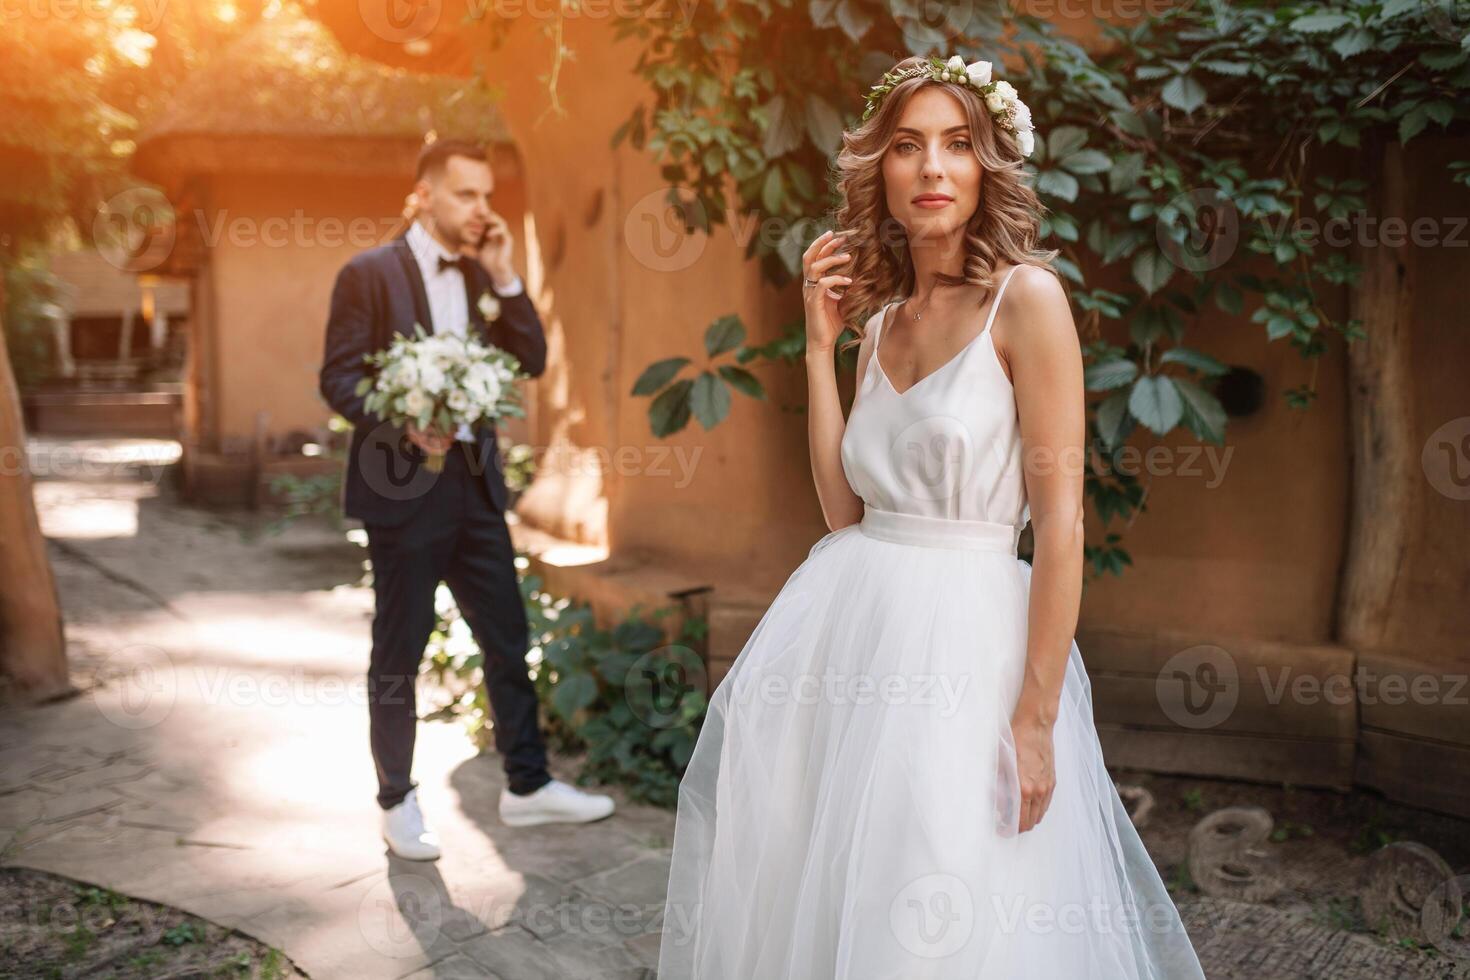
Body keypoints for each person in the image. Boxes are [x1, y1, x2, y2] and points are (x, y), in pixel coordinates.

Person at [657, 58, 1206, 977]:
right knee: (835, 872)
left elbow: (1062, 525)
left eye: (957, 144)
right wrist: (817, 345)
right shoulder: (881, 326)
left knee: (942, 870)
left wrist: (1033, 719)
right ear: (881, 171)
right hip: (850, 634)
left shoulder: (1027, 301)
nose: (933, 167)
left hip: (966, 647)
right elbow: (844, 510)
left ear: (989, 166)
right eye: (908, 146)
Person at [319, 138, 614, 861]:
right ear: (424, 196)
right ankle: (396, 801)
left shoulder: (485, 272)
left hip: (477, 491)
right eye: (466, 195)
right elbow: (338, 378)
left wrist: (508, 277)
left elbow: (534, 361)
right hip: (402, 494)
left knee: (507, 637)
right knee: (400, 650)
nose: (483, 209)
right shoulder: (368, 274)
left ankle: (528, 786)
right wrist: (401, 418)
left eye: (487, 195)